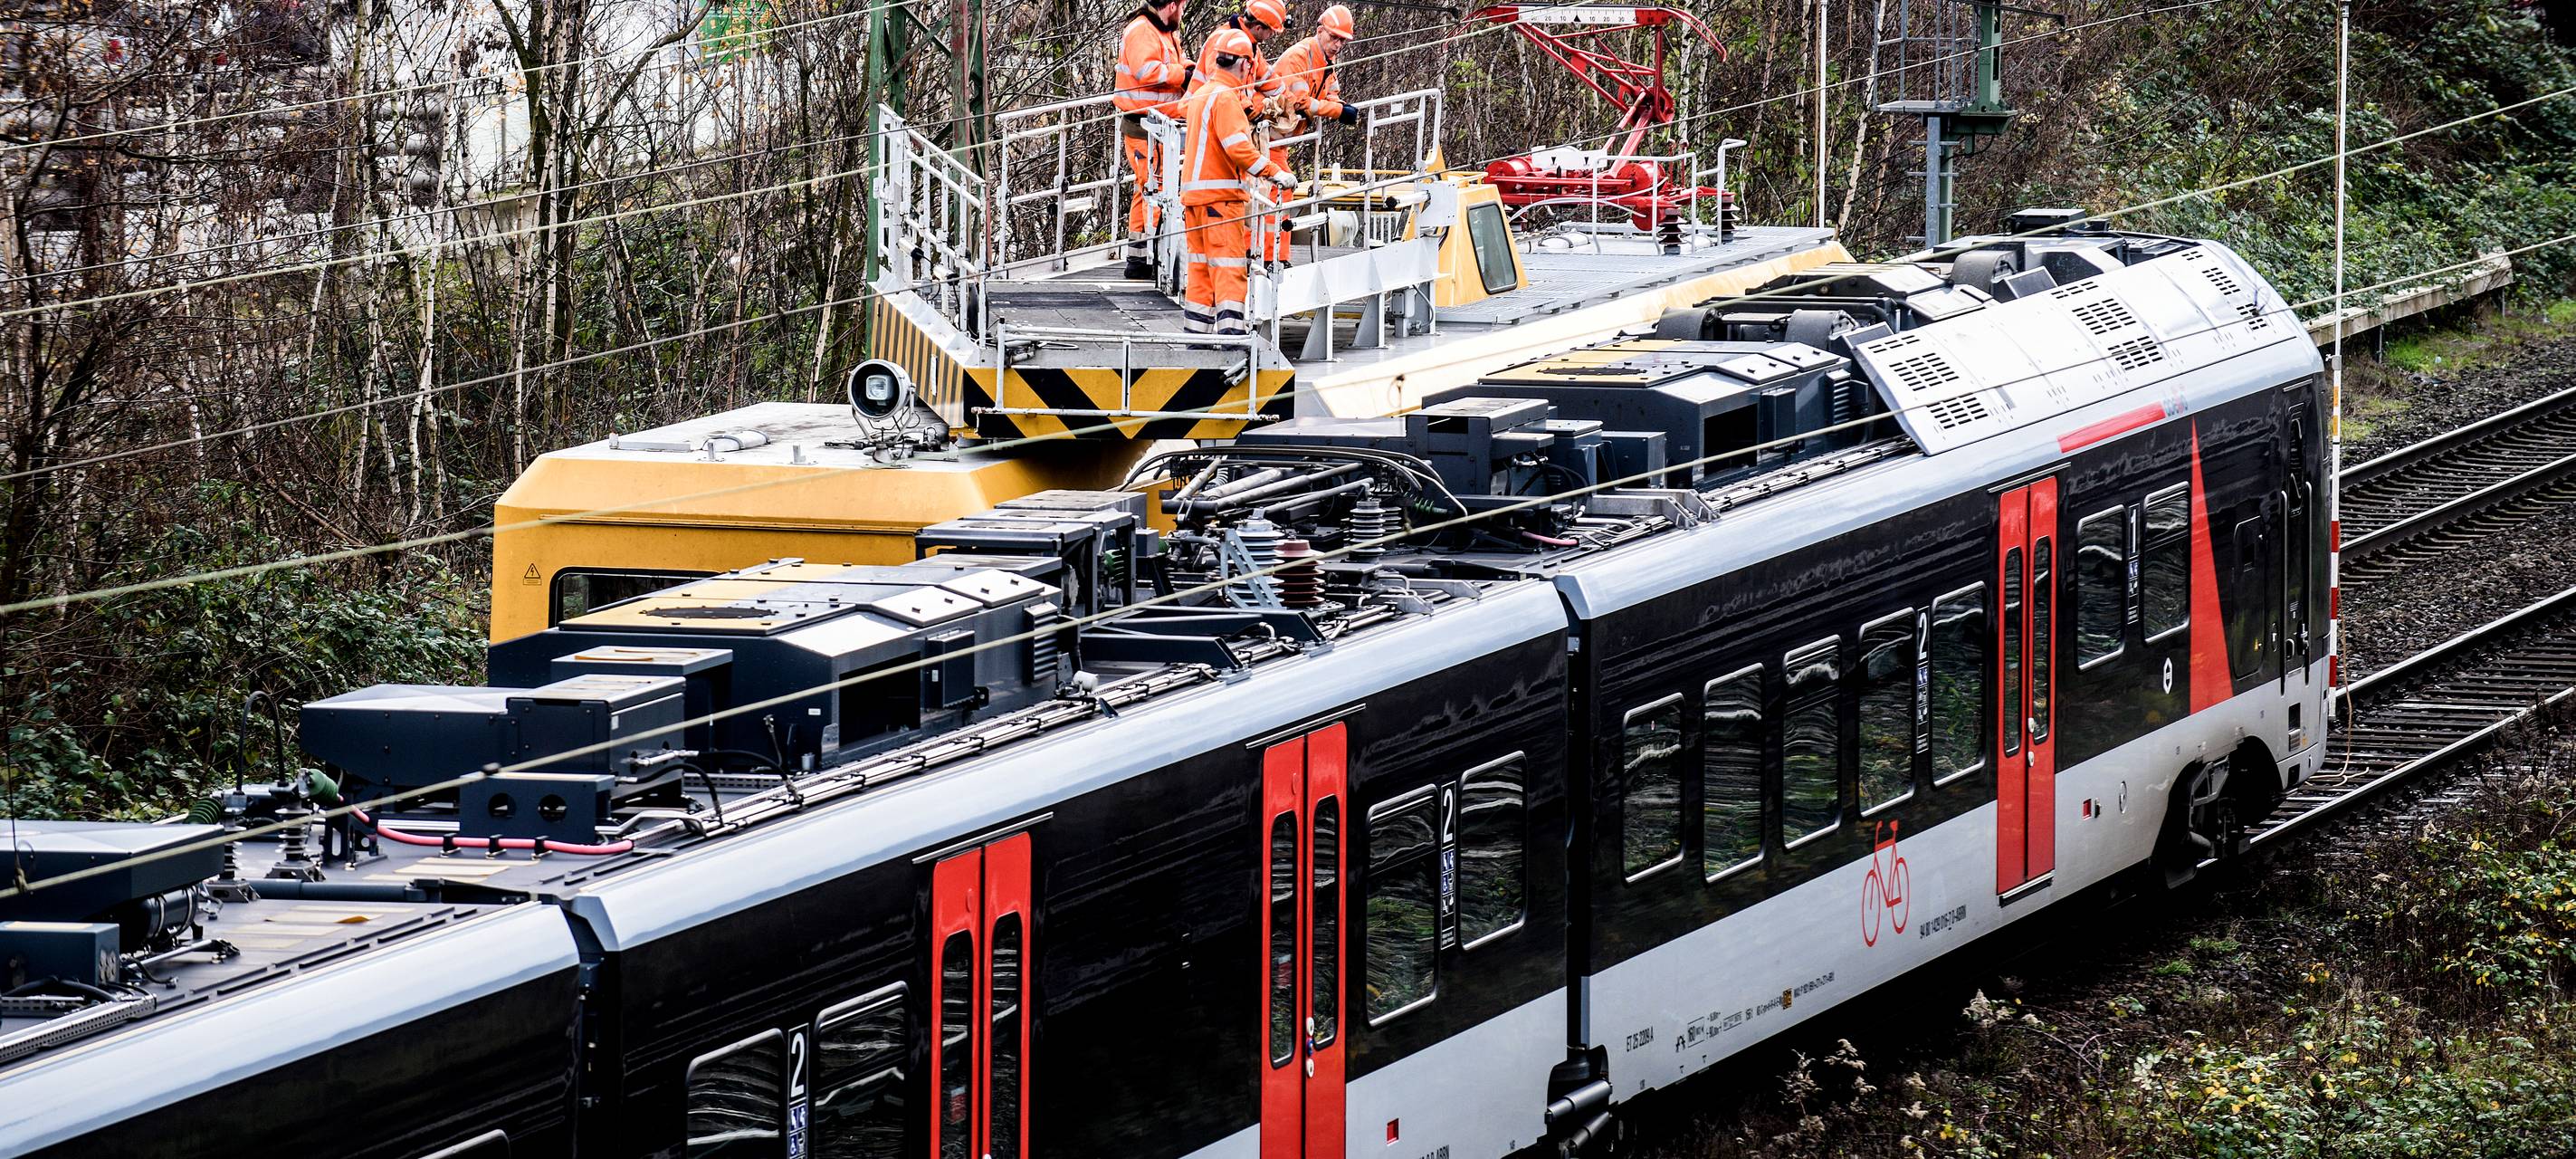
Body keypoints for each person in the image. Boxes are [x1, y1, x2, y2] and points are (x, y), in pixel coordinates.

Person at [1177, 29, 1296, 335]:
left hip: (1194, 201)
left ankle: (1197, 335)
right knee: (1230, 267)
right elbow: (1239, 148)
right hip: (1220, 198)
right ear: (1244, 64)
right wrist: (1275, 172)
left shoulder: (1203, 94)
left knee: (1201, 269)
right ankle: (1232, 335)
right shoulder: (1226, 99)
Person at [1114, 0, 1191, 280]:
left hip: (1159, 126)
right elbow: (1147, 71)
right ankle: (1146, 257)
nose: (1182, 12)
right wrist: (1183, 75)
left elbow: (1174, 64)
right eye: (1182, 6)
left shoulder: (1163, 31)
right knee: (1152, 190)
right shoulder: (1142, 30)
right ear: (1172, 5)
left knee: (1147, 189)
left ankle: (1141, 258)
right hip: (1143, 126)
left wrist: (1190, 69)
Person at [1271, 3, 1358, 171]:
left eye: (1342, 40)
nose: (1338, 44)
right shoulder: (1298, 56)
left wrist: (1341, 106)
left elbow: (1331, 92)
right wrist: (1338, 111)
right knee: (1281, 190)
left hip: (1280, 141)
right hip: (1267, 137)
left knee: (1278, 189)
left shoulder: (1326, 60)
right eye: (1334, 37)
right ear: (1320, 31)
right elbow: (1299, 101)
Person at [1190, 0, 1287, 101]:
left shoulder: (1249, 45)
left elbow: (1268, 79)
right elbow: (1221, 88)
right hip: (1206, 111)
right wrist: (1256, 106)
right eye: (1271, 32)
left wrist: (1291, 101)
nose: (1271, 36)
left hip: (1226, 108)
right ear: (1258, 28)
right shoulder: (1224, 42)